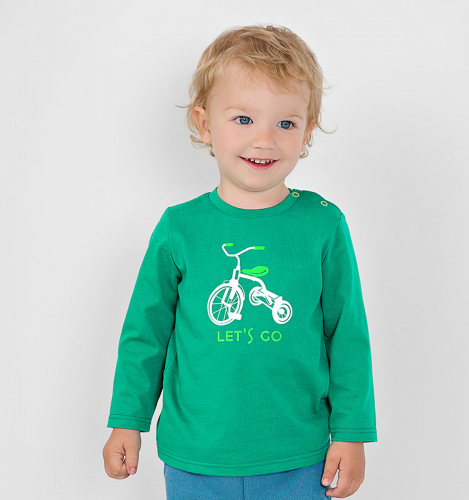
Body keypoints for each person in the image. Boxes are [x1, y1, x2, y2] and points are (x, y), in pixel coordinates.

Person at [102, 23, 377, 499]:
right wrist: (128, 420)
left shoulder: (324, 224)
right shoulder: (180, 227)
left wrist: (352, 432)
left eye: (285, 123)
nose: (264, 140)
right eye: (244, 119)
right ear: (205, 123)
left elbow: (347, 335)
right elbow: (146, 332)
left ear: (308, 131)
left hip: (300, 456)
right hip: (196, 456)